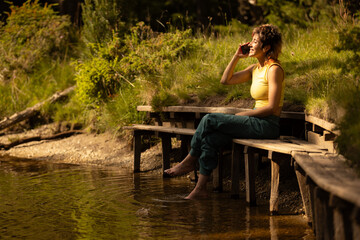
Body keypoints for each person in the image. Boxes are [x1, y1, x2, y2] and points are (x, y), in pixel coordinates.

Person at [164, 24, 284, 199]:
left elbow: (272, 108)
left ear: (266, 48)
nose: (250, 44)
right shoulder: (254, 69)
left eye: (255, 42)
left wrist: (244, 114)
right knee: (211, 139)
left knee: (210, 120)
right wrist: (236, 56)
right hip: (256, 121)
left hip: (267, 125)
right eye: (251, 40)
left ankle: (189, 161)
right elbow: (225, 81)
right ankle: (200, 189)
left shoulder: (274, 70)